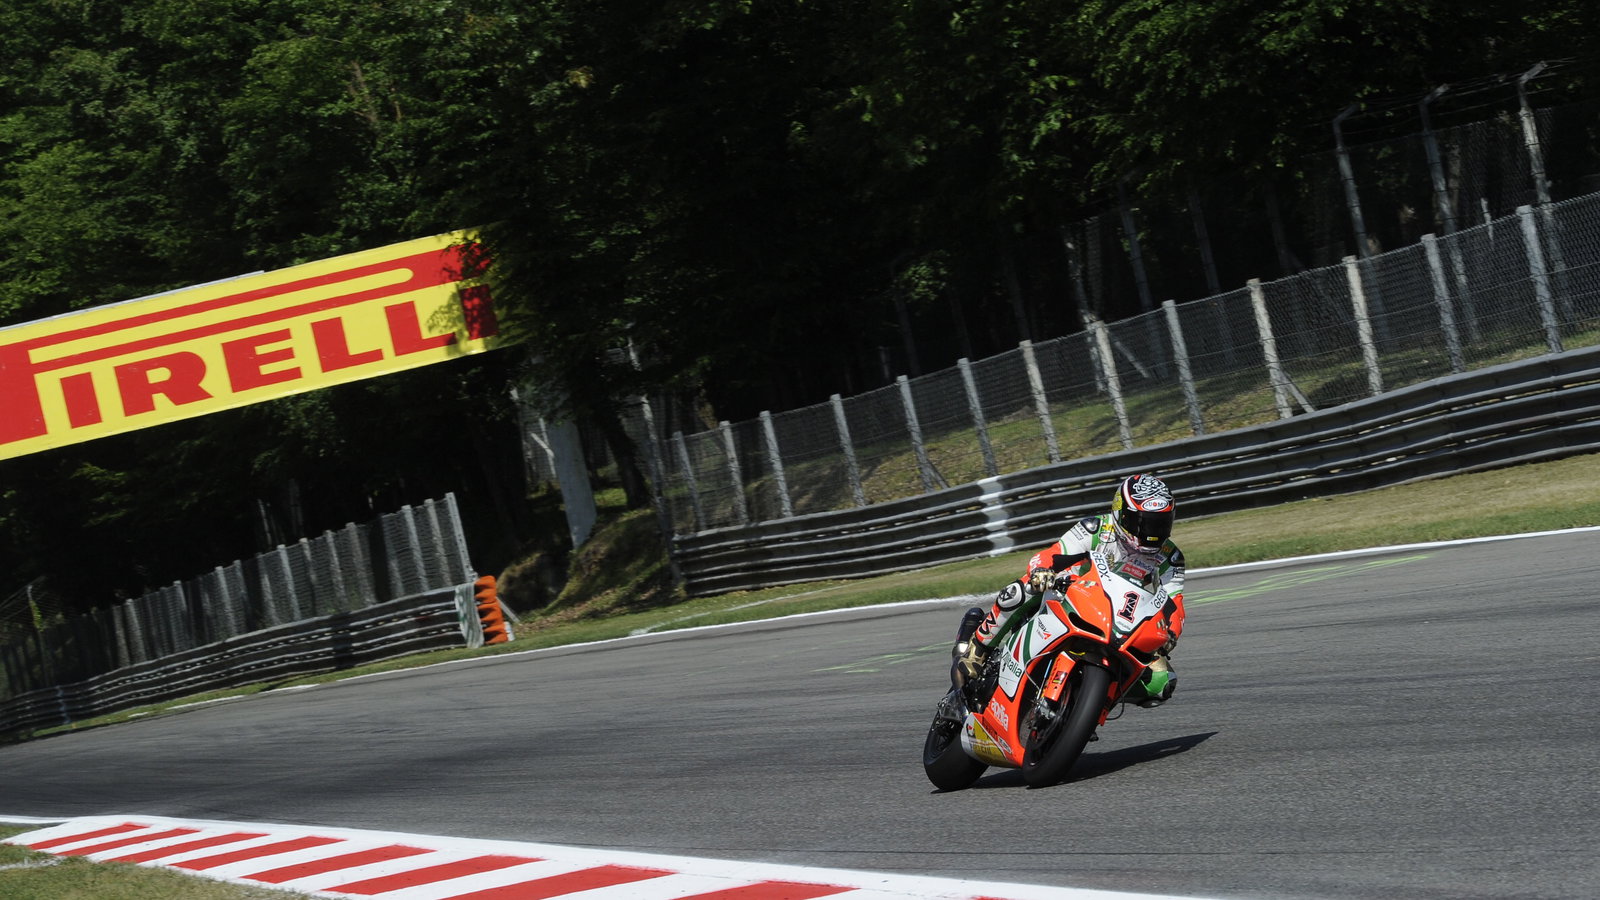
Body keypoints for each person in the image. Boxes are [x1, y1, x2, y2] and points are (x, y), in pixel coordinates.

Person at [954, 473, 1186, 707]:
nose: (1152, 533)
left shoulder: (1170, 558)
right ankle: (979, 647)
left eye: (1161, 523)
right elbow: (1053, 554)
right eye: (1144, 523)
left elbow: (1174, 605)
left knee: (1162, 682)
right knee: (1022, 589)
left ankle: (1090, 703)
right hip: (1072, 595)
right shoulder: (1096, 528)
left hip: (1123, 622)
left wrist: (1171, 633)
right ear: (1121, 514)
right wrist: (1042, 571)